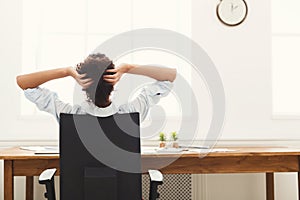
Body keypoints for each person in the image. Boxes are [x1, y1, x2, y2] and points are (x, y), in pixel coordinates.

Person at [16, 53, 177, 122]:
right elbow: (170, 77)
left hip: (77, 194)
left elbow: (24, 83)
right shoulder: (133, 112)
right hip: (123, 194)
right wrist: (127, 67)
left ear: (83, 86)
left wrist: (67, 71)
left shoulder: (69, 114)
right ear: (113, 84)